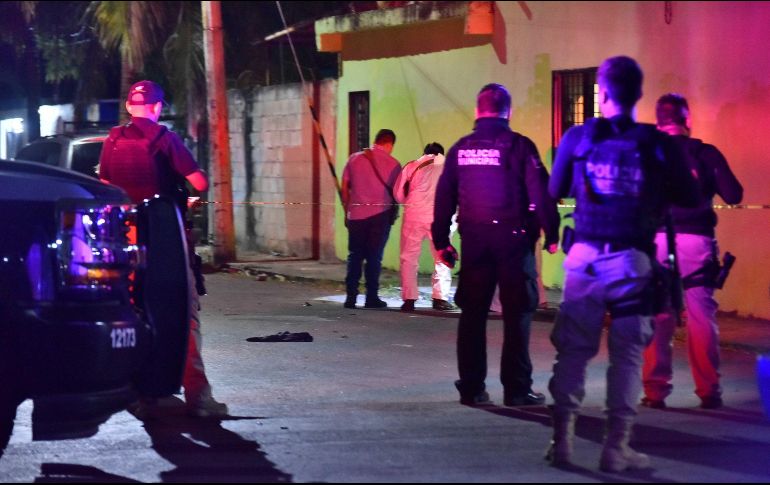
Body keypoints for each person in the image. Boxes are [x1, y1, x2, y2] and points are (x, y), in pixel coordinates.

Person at [546, 56, 699, 472]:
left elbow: (555, 189)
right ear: (639, 94)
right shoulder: (657, 144)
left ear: (603, 92)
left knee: (574, 352)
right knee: (628, 356)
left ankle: (562, 441)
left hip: (584, 260)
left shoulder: (578, 138)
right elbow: (689, 196)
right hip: (632, 262)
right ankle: (616, 448)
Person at [99, 80, 228, 418]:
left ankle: (140, 392)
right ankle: (199, 397)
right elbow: (198, 181)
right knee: (185, 314)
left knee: (133, 312)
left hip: (124, 243)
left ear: (129, 107)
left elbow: (105, 187)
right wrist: (187, 192)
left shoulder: (112, 140)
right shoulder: (164, 138)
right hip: (165, 241)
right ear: (157, 108)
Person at [432, 83, 560, 408]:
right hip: (513, 242)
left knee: (472, 314)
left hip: (474, 241)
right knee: (517, 314)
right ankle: (517, 390)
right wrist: (552, 233)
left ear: (477, 110)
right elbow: (540, 192)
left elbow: (444, 198)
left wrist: (441, 241)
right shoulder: (519, 146)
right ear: (509, 111)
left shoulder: (460, 149)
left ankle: (471, 387)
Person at [641, 93, 743, 410]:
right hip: (696, 240)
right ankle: (709, 391)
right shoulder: (704, 153)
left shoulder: (646, 154)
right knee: (701, 316)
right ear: (687, 121)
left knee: (659, 314)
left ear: (658, 122)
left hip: (656, 241)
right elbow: (734, 194)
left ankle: (655, 392)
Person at [341, 129, 402, 309]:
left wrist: (347, 210)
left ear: (376, 140)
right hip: (380, 217)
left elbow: (345, 187)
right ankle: (371, 297)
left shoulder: (354, 158)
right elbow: (398, 194)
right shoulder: (394, 164)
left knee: (355, 256)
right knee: (374, 258)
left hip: (356, 216)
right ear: (389, 144)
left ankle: (350, 297)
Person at [393, 142, 455, 312]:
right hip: (440, 218)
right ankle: (439, 299)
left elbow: (398, 193)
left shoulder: (412, 166)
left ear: (425, 153)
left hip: (414, 215)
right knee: (441, 257)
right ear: (441, 154)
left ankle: (409, 299)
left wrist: (411, 204)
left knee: (409, 257)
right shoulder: (448, 167)